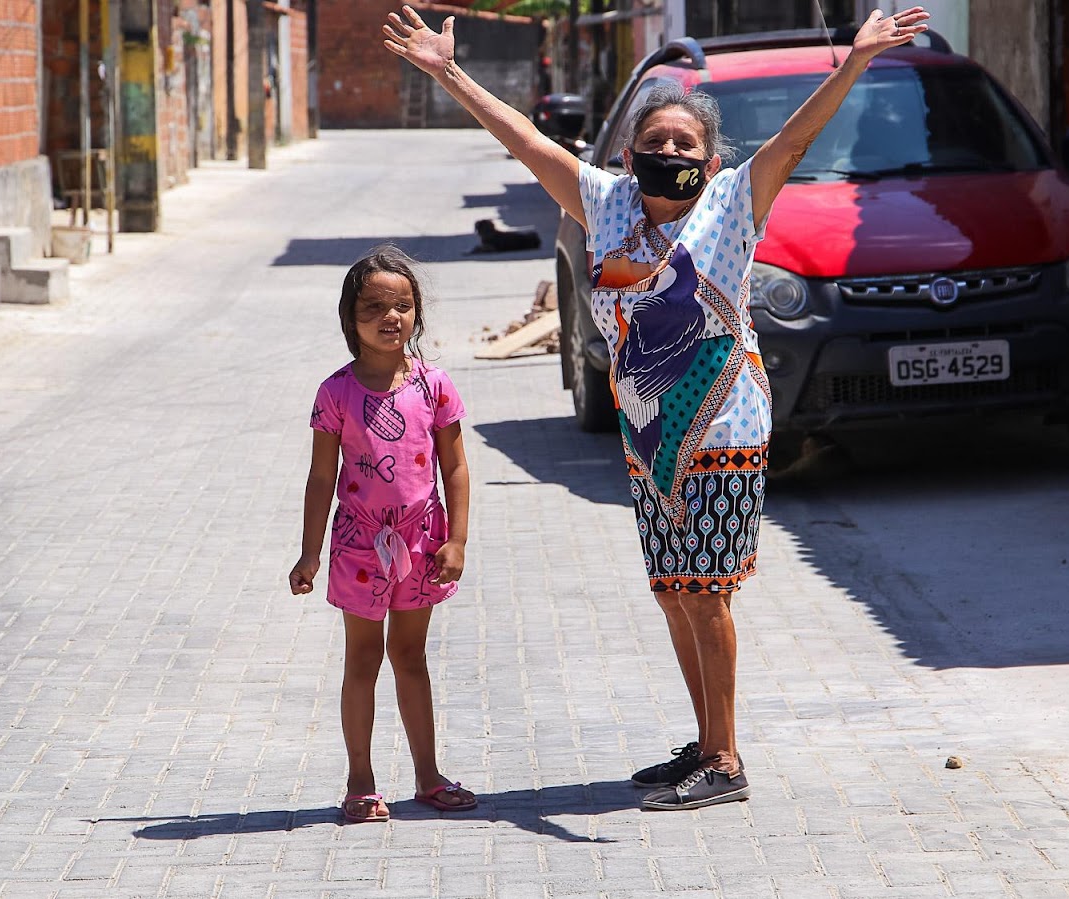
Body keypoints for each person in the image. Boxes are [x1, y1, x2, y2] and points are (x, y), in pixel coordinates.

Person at [383, 6, 929, 810]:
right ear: (631, 152)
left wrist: (851, 63)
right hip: (649, 432)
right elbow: (525, 142)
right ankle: (705, 742)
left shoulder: (734, 203)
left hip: (723, 424)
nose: (668, 151)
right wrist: (447, 73)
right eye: (656, 141)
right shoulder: (603, 203)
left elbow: (795, 140)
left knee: (707, 589)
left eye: (685, 143)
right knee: (675, 586)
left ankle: (727, 758)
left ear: (710, 160)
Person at [289, 246, 477, 824]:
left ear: (417, 312)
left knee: (411, 657)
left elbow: (456, 467)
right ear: (350, 319)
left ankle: (427, 776)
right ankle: (360, 781)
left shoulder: (434, 386)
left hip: (422, 542)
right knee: (362, 660)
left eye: (402, 304)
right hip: (357, 548)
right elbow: (323, 477)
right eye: (373, 306)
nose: (389, 316)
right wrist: (310, 552)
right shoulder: (335, 393)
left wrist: (458, 540)